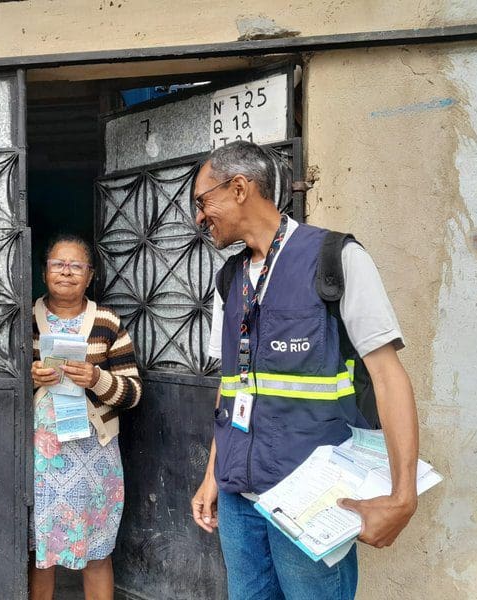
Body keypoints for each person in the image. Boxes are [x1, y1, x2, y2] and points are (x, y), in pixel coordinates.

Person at [189, 141, 418, 599]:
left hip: (311, 501)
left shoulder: (336, 259)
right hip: (240, 499)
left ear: (239, 188)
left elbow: (390, 376)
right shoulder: (229, 280)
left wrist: (403, 495)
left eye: (202, 201)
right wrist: (214, 475)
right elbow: (230, 386)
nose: (199, 216)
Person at [29, 234, 142, 600]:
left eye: (76, 265)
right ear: (44, 272)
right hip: (42, 457)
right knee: (41, 550)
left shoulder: (107, 322)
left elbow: (134, 393)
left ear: (90, 275)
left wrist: (97, 378)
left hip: (95, 454)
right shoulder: (24, 319)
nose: (66, 272)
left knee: (97, 547)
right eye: (57, 264)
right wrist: (29, 379)